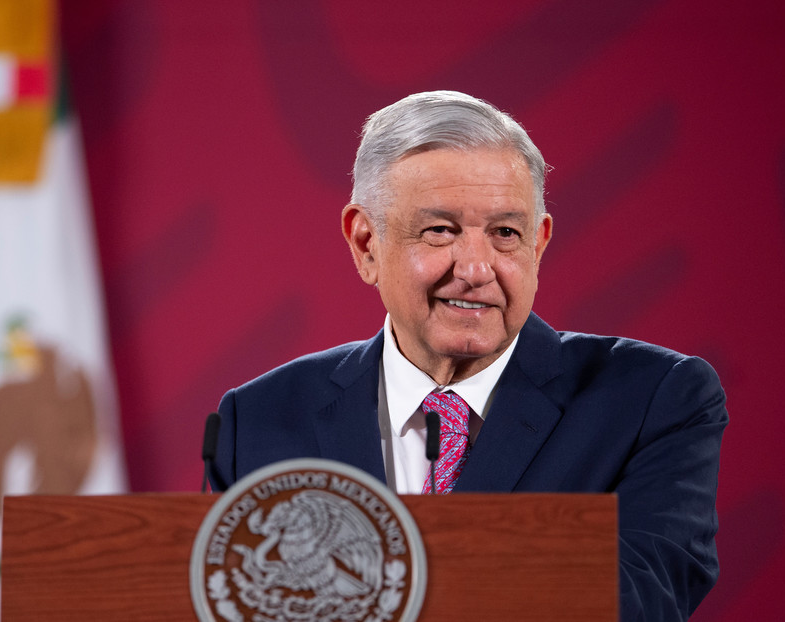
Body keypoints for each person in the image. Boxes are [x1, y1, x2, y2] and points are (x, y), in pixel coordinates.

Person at [209, 90, 727, 620]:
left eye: (505, 233)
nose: (477, 269)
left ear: (538, 244)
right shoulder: (257, 422)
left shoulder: (652, 400)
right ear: (366, 243)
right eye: (440, 231)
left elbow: (640, 600)